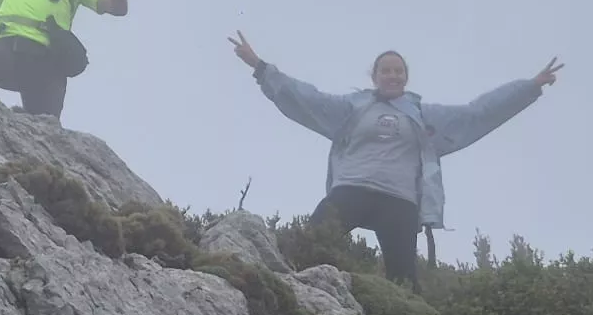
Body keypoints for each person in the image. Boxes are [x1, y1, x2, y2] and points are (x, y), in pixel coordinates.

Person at [227, 34, 561, 287]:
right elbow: (304, 96)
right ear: (374, 76)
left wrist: (529, 87)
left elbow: (478, 113)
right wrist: (260, 67)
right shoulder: (352, 108)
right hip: (352, 189)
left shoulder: (423, 115)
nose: (393, 76)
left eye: (399, 71)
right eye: (386, 70)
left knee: (404, 280)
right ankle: (276, 294)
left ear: (406, 77)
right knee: (305, 247)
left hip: (399, 201)